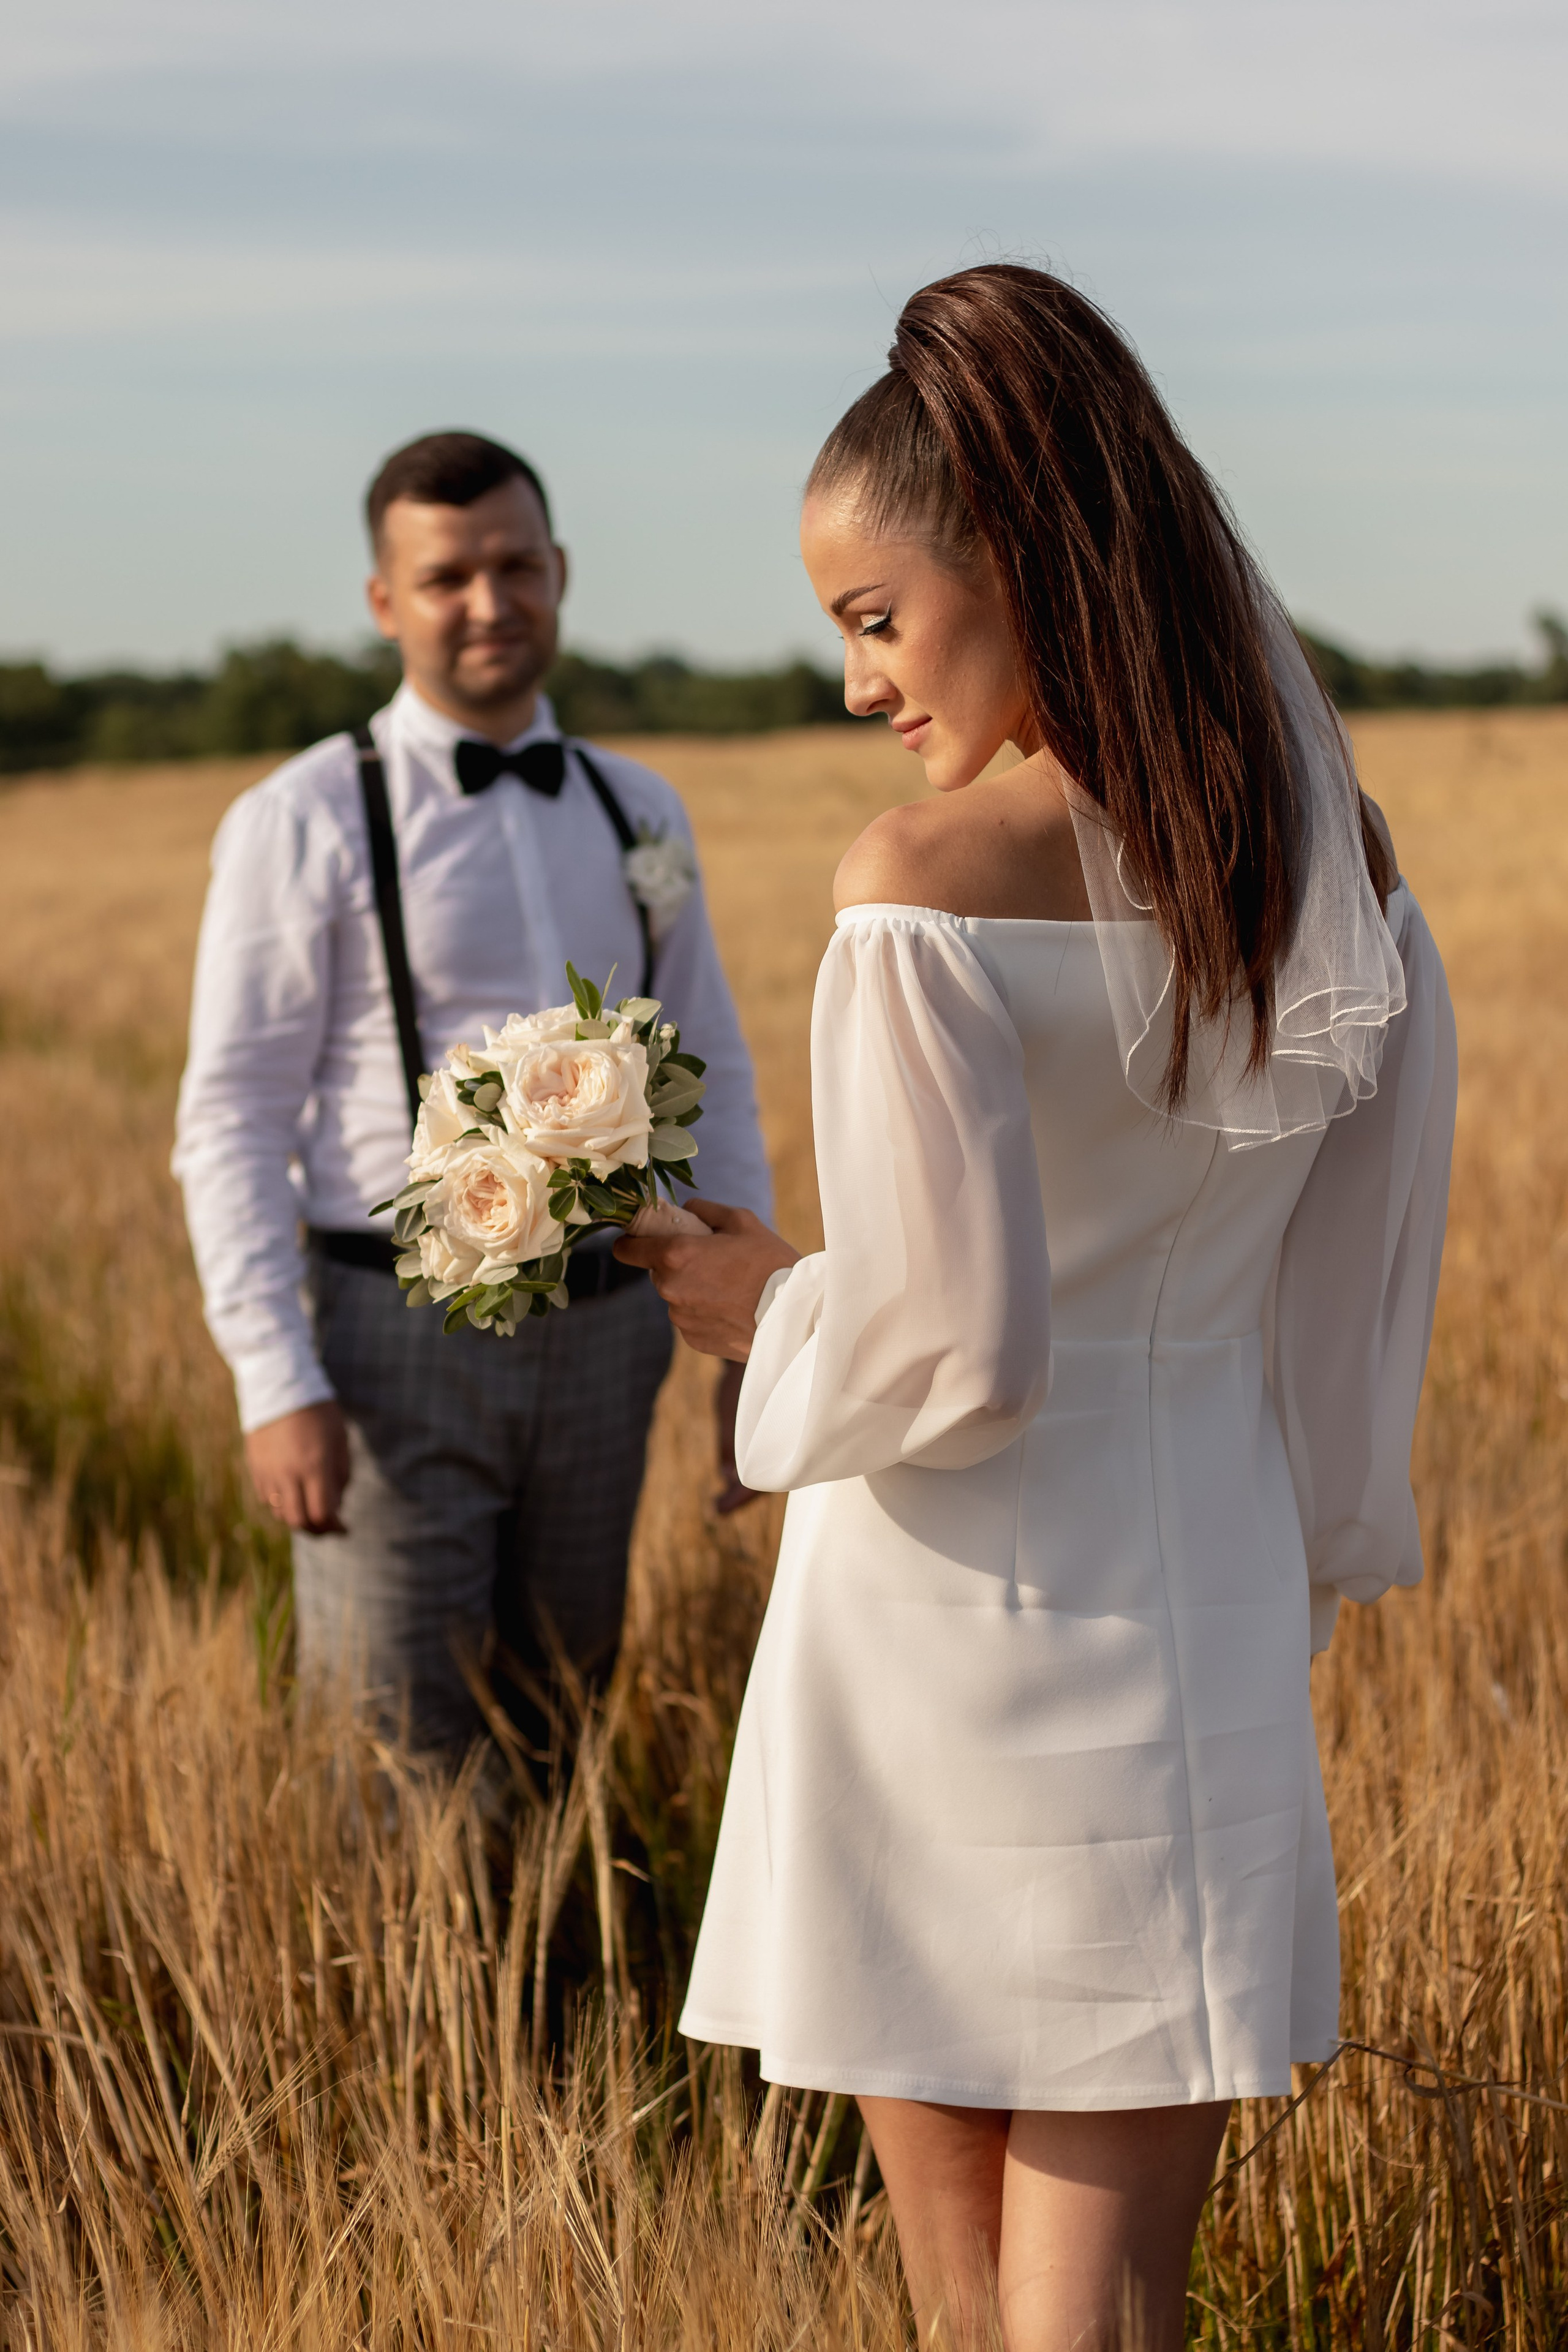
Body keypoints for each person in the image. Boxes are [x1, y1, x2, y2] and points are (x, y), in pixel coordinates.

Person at [619, 268, 1456, 2351]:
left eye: (875, 617)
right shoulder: (1328, 866)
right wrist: (1320, 1525)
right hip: (1203, 1588)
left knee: (969, 2291)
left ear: (1017, 558)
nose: (854, 684)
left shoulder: (918, 885)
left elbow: (955, 1353)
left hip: (933, 1615)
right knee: (1105, 2304)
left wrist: (763, 1312)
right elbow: (1364, 1273)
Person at [174, 431, 772, 1762]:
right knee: (397, 1739)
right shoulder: (305, 816)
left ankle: (557, 1969)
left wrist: (756, 1342)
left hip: (612, 1324)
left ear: (559, 572)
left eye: (515, 566)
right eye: (447, 577)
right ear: (386, 603)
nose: (489, 602)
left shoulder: (640, 811)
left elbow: (709, 1071)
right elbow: (231, 1115)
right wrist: (275, 1378)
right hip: (391, 1336)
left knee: (567, 1709)